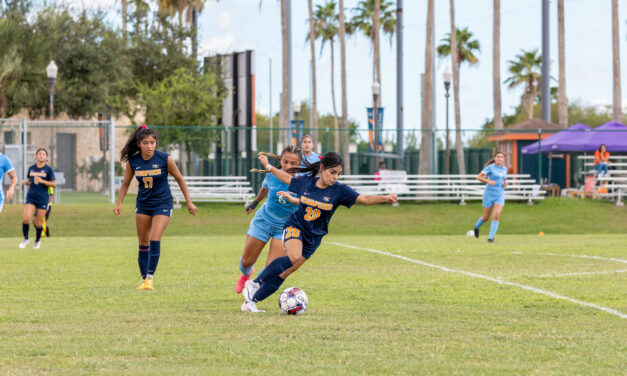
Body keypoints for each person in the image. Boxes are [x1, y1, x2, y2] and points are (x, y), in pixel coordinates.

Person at [241, 152, 398, 312]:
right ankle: (254, 283)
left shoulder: (340, 191)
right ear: (322, 169)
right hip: (295, 227)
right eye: (332, 172)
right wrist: (268, 166)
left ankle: (250, 303)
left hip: (314, 238)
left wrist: (384, 198)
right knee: (293, 257)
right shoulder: (306, 183)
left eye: (338, 173)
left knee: (286, 272)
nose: (335, 177)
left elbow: (364, 199)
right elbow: (286, 178)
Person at [114, 125, 198, 290]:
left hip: (163, 203)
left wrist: (189, 202)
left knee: (154, 238)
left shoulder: (165, 159)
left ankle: (150, 279)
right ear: (139, 144)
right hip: (143, 204)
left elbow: (180, 179)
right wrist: (119, 203)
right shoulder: (134, 162)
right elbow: (125, 184)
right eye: (145, 142)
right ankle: (144, 279)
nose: (149, 146)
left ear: (156, 143)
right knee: (143, 242)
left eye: (152, 142)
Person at [235, 146, 302, 293]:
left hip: (285, 226)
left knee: (269, 270)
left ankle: (251, 294)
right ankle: (246, 275)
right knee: (246, 262)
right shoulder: (272, 174)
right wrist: (255, 202)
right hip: (263, 221)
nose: (288, 166)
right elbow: (265, 188)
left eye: (293, 164)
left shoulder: (303, 182)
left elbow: (307, 201)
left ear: (300, 164)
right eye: (285, 162)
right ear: (281, 160)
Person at [19, 148, 56, 249]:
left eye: (43, 154)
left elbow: (53, 184)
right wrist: (25, 182)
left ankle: (37, 241)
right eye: (39, 153)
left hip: (42, 199)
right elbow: (30, 181)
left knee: (38, 223)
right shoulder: (31, 168)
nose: (41, 155)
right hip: (31, 197)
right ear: (36, 156)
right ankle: (26, 239)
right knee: (26, 219)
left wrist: (42, 181)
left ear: (46, 157)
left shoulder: (49, 170)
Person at [473, 151, 508, 243]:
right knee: (486, 217)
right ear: (495, 158)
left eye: (501, 157)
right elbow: (478, 177)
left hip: (499, 195)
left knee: (496, 215)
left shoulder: (505, 169)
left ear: (503, 159)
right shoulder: (490, 168)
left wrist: (505, 183)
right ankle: (476, 226)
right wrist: (489, 181)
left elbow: (504, 178)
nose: (499, 158)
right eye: (498, 157)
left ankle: (490, 238)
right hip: (489, 195)